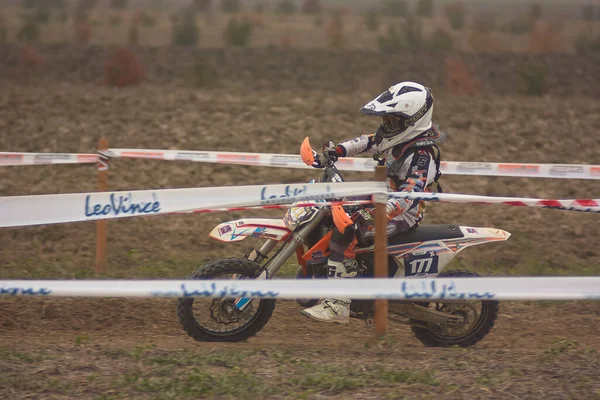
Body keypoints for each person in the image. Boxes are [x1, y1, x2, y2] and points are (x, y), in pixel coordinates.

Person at [300, 81, 445, 324]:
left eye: (392, 121)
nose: (386, 126)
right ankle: (323, 272)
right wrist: (337, 151)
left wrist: (382, 211)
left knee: (348, 230)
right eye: (386, 120)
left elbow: (411, 193)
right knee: (327, 208)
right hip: (382, 199)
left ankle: (339, 304)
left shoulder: (422, 155)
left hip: (402, 212)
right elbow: (367, 141)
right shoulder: (397, 139)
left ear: (413, 120)